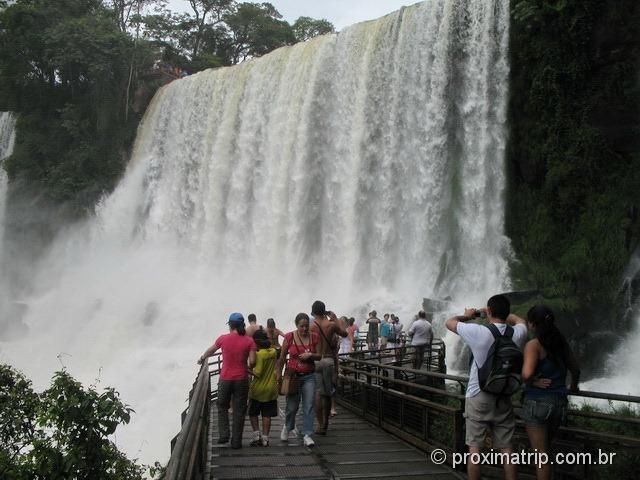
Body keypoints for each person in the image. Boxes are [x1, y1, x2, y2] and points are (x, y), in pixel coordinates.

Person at [445, 295, 527, 480]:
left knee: (475, 448)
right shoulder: (517, 333)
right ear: (506, 313)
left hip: (478, 395)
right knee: (507, 448)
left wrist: (469, 315)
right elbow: (521, 321)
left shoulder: (478, 331)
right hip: (503, 395)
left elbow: (449, 322)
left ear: (489, 312)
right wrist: (506, 313)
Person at [522, 305, 580, 480]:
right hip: (559, 403)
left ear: (532, 324)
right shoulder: (562, 343)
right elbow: (575, 370)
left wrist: (532, 381)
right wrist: (573, 387)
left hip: (537, 403)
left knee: (541, 456)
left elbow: (526, 373)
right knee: (547, 450)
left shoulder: (534, 345)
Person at [198, 312, 256, 449]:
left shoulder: (223, 339)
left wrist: (201, 359)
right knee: (239, 410)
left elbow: (210, 351)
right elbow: (252, 362)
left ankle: (224, 435)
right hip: (241, 379)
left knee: (222, 406)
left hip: (225, 379)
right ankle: (236, 442)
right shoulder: (249, 341)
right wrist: (246, 364)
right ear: (242, 325)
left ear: (230, 325)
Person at [275, 313, 321, 447]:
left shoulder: (315, 337)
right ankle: (287, 427)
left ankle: (307, 434)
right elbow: (282, 357)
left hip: (309, 376)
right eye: (302, 326)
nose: (305, 329)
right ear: (296, 325)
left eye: (307, 326)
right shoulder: (289, 337)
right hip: (293, 376)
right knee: (292, 406)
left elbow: (320, 355)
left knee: (309, 405)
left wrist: (310, 355)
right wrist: (279, 373)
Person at [309, 300, 348, 435]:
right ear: (324, 311)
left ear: (313, 312)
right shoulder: (331, 325)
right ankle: (325, 424)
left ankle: (320, 425)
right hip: (329, 360)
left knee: (318, 393)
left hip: (316, 361)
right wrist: (336, 319)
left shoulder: (310, 327)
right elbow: (344, 334)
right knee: (327, 394)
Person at [248, 329, 279, 447]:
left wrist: (248, 370)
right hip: (271, 388)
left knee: (253, 412)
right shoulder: (273, 352)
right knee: (267, 414)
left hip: (258, 390)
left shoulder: (259, 354)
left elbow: (258, 373)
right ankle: (265, 438)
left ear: (256, 342)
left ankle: (257, 435)